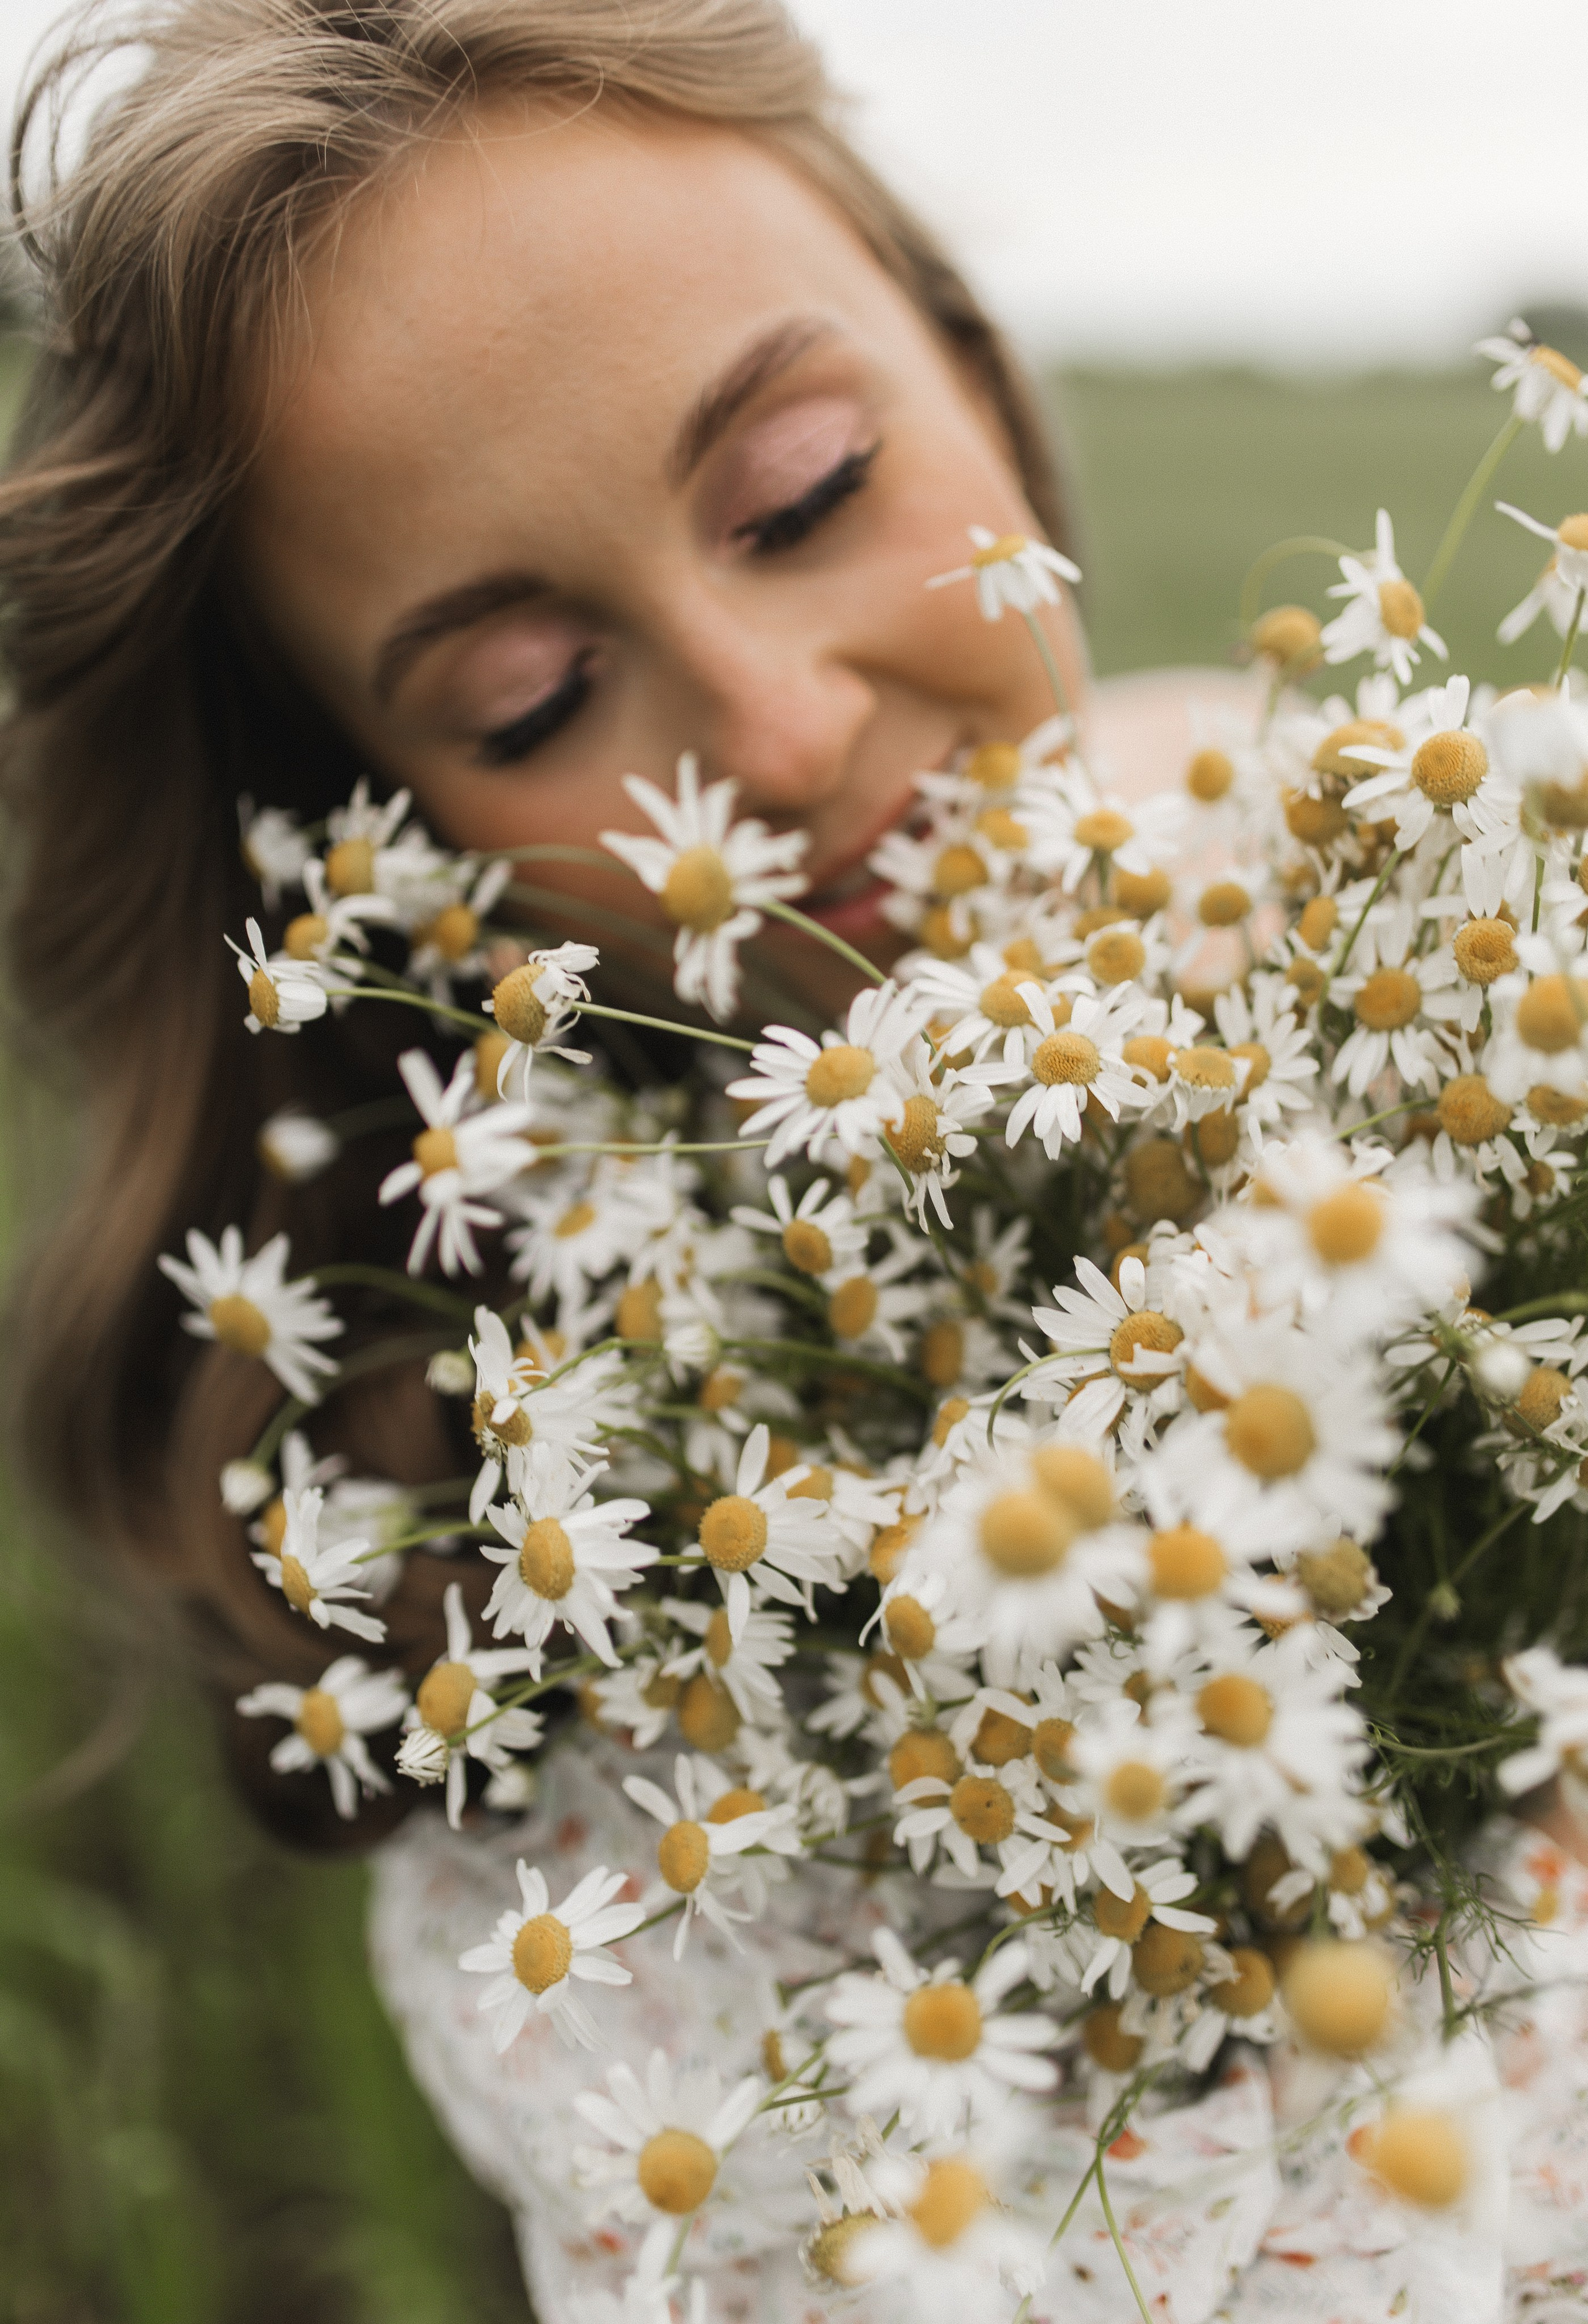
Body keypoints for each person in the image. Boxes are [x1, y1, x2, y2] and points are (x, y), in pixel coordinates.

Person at [4, 4, 1584, 2318]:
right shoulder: (608, 1694)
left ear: (969, 358)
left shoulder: (1468, 879)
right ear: (384, 844)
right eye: (535, 699)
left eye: (807, 487)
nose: (777, 737)